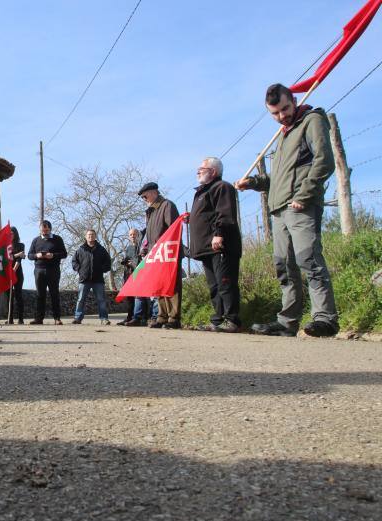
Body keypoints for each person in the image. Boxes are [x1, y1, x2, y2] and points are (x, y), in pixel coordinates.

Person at [236, 83, 339, 337]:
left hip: (300, 205)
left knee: (309, 260)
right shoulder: (283, 135)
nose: (282, 115)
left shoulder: (312, 120)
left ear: (293, 100)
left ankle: (325, 319)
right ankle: (287, 321)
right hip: (279, 209)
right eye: (275, 113)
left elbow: (324, 161)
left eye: (284, 108)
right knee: (284, 266)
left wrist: (304, 195)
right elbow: (280, 178)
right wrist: (254, 183)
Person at [189, 157, 242, 333]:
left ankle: (232, 320)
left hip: (221, 246)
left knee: (225, 283)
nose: (198, 171)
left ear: (213, 171)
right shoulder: (203, 192)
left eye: (201, 168)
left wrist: (219, 234)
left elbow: (224, 214)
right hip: (206, 249)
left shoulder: (222, 187)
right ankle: (218, 319)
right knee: (214, 287)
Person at [138, 182, 181, 329]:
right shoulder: (150, 212)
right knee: (160, 287)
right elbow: (151, 235)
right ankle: (162, 316)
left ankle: (173, 318)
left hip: (168, 253)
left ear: (154, 192)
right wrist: (147, 249)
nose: (144, 199)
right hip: (155, 254)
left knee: (172, 286)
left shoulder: (167, 206)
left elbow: (173, 229)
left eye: (145, 196)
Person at [28, 220, 67, 325]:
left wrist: (53, 255)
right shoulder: (35, 240)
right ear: (40, 229)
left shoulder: (57, 239)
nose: (44, 231)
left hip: (53, 270)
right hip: (39, 270)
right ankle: (38, 319)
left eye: (46, 229)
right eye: (42, 229)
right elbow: (30, 255)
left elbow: (64, 254)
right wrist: (37, 255)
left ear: (50, 229)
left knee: (54, 294)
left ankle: (57, 318)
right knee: (40, 295)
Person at [71, 229, 112, 325]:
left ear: (95, 236)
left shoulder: (101, 249)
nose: (90, 236)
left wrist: (102, 269)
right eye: (89, 235)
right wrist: (79, 269)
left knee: (101, 300)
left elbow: (108, 263)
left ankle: (104, 318)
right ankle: (78, 318)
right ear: (85, 237)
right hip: (84, 279)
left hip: (98, 280)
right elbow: (74, 262)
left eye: (92, 235)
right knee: (80, 299)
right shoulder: (80, 249)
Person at [119, 228, 143, 326]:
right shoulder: (128, 248)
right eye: (131, 235)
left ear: (138, 235)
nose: (132, 236)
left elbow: (140, 262)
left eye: (134, 234)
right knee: (129, 298)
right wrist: (125, 262)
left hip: (138, 275)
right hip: (128, 275)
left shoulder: (141, 247)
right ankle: (129, 317)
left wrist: (132, 263)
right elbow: (127, 260)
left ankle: (137, 318)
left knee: (138, 297)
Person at [6, 226, 25, 324]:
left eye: (12, 233)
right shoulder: (5, 246)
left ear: (15, 234)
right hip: (6, 274)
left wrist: (13, 271)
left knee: (18, 295)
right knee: (9, 296)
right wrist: (17, 254)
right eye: (9, 233)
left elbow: (19, 260)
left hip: (17, 273)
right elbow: (6, 258)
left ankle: (21, 318)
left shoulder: (20, 245)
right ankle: (10, 318)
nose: (10, 235)